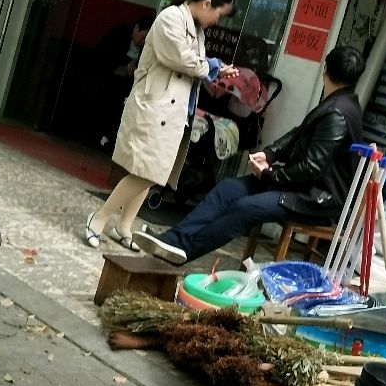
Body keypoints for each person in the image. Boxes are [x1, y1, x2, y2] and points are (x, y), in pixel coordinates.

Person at [135, 43, 366, 266]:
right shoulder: (340, 102)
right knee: (229, 189)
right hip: (297, 187)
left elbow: (311, 168)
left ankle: (185, 251)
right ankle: (174, 240)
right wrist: (269, 154)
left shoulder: (337, 112)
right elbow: (297, 135)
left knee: (245, 207)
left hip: (315, 200)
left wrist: (269, 174)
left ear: (325, 71)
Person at [83, 0, 237, 251]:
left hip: (172, 110)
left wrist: (215, 69)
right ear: (207, 3)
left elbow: (192, 64)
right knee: (145, 170)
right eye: (219, 14)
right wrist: (212, 67)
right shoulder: (171, 18)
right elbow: (181, 59)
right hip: (155, 105)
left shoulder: (195, 27)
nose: (217, 21)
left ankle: (124, 226)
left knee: (153, 171)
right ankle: (99, 218)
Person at [85, 13, 155, 147]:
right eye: (142, 37)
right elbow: (105, 55)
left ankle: (110, 138)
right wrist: (127, 62)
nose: (143, 42)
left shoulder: (146, 48)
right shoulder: (119, 35)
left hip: (127, 82)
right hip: (106, 77)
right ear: (136, 28)